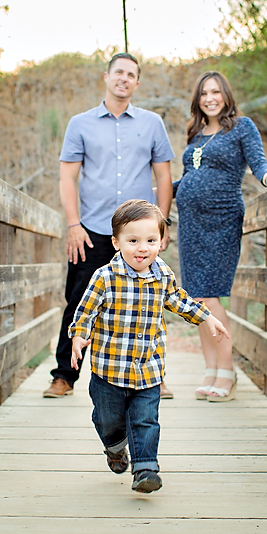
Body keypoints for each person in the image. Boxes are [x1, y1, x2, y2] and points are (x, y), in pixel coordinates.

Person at [69, 200, 230, 492]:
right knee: (109, 420)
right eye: (133, 241)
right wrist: (79, 336)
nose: (142, 248)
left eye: (151, 240)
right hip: (109, 369)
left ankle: (145, 468)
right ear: (116, 242)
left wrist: (206, 317)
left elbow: (178, 300)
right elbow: (86, 311)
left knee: (146, 419)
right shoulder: (105, 277)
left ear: (161, 242)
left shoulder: (162, 275)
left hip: (148, 368)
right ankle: (115, 446)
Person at [44, 52, 178, 400]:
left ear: (137, 82)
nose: (124, 78)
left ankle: (154, 376)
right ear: (106, 76)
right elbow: (68, 178)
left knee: (148, 302)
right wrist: (73, 224)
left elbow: (164, 175)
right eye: (118, 72)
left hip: (138, 236)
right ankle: (65, 375)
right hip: (90, 229)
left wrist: (160, 227)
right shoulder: (80, 124)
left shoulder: (151, 124)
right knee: (77, 301)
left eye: (131, 74)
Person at [173, 71, 267, 402]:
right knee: (196, 299)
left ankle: (227, 370)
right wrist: (161, 192)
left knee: (210, 297)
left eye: (216, 92)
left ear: (226, 96)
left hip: (221, 219)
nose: (210, 98)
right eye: (204, 93)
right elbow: (188, 178)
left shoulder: (241, 127)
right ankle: (210, 370)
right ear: (198, 99)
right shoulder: (195, 135)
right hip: (190, 223)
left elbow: (257, 161)